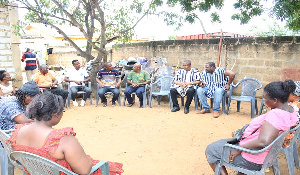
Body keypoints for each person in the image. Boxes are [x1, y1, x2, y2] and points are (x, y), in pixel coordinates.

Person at [7, 93, 124, 175]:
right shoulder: (61, 138)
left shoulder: (18, 131)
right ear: (55, 115)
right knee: (108, 168)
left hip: (36, 171)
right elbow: (84, 170)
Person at [205, 80, 298, 175]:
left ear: (275, 100)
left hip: (253, 158)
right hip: (266, 154)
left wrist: (239, 148)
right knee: (223, 143)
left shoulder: (276, 115)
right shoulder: (290, 109)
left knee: (211, 149)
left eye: (265, 98)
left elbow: (263, 141)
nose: (263, 100)